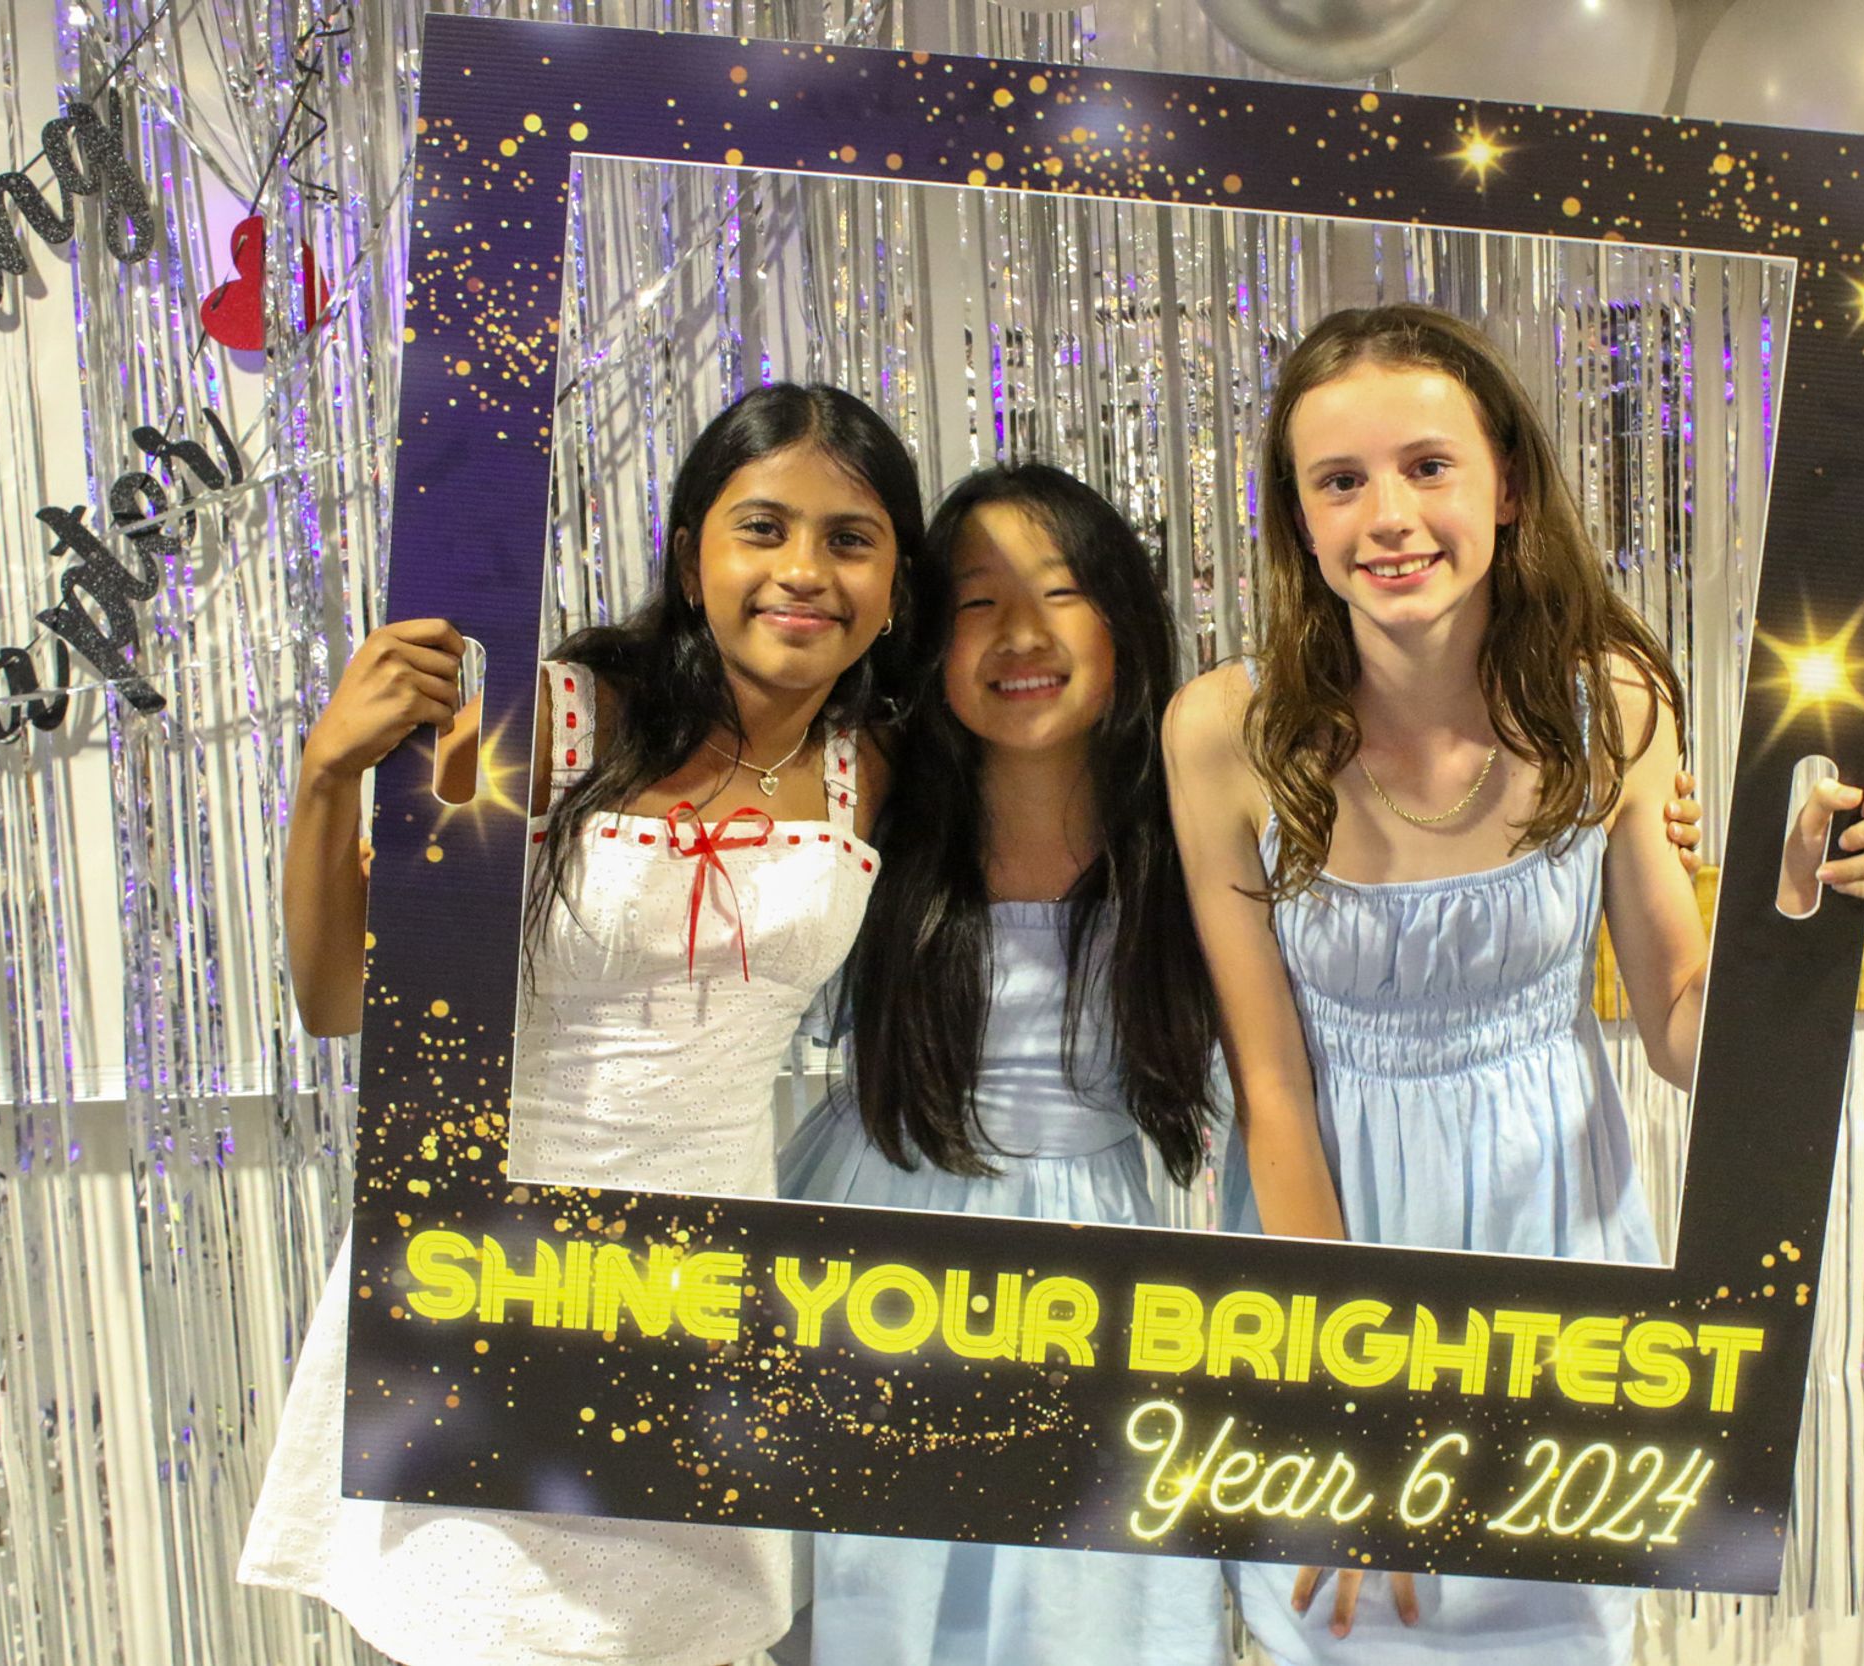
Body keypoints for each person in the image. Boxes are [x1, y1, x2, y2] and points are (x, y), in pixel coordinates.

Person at [1161, 304, 1864, 1666]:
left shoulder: (1611, 702)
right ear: (1299, 519)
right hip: (1328, 1268)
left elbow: (1681, 1026)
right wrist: (1346, 1396)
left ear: (1504, 483)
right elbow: (1269, 1085)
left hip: (1557, 1260)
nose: (1389, 516)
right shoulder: (1225, 731)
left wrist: (1793, 907)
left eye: (1426, 466)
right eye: (1340, 481)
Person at [239, 382, 921, 1666]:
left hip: (705, 1304)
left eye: (850, 539)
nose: (803, 570)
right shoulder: (544, 721)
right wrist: (328, 773)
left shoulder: (871, 770)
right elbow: (339, 1001)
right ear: (691, 556)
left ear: (892, 585)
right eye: (762, 528)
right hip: (491, 1276)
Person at [775, 462, 1229, 1666]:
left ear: (1124, 620)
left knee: (1087, 1613)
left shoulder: (1188, 828)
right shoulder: (869, 805)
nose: (1022, 633)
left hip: (1095, 1275)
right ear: (929, 636)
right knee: (883, 1598)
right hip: (873, 1259)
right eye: (978, 600)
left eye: (1062, 591)